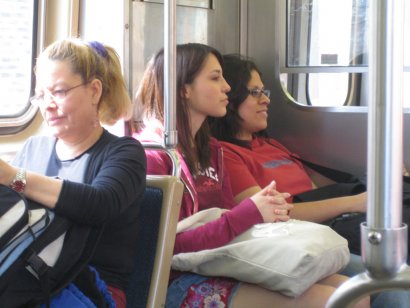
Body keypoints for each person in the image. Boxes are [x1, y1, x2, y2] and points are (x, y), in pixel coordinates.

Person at [132, 43, 368, 308]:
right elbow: (163, 247)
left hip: (219, 262)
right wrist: (250, 213)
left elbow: (227, 216)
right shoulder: (153, 157)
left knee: (354, 292)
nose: (227, 87)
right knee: (334, 300)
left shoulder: (211, 149)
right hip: (177, 279)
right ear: (184, 89)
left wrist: (265, 209)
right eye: (214, 78)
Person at [0, 38, 146, 307]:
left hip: (90, 286)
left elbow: (99, 204)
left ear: (94, 90)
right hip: (27, 277)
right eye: (41, 96)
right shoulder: (33, 148)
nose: (47, 105)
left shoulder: (124, 152)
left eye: (59, 92)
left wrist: (12, 178)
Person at [209, 54, 367, 223]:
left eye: (263, 92)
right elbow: (268, 213)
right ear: (231, 100)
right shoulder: (225, 155)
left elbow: (317, 190)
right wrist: (353, 204)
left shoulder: (271, 145)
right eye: (255, 92)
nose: (266, 100)